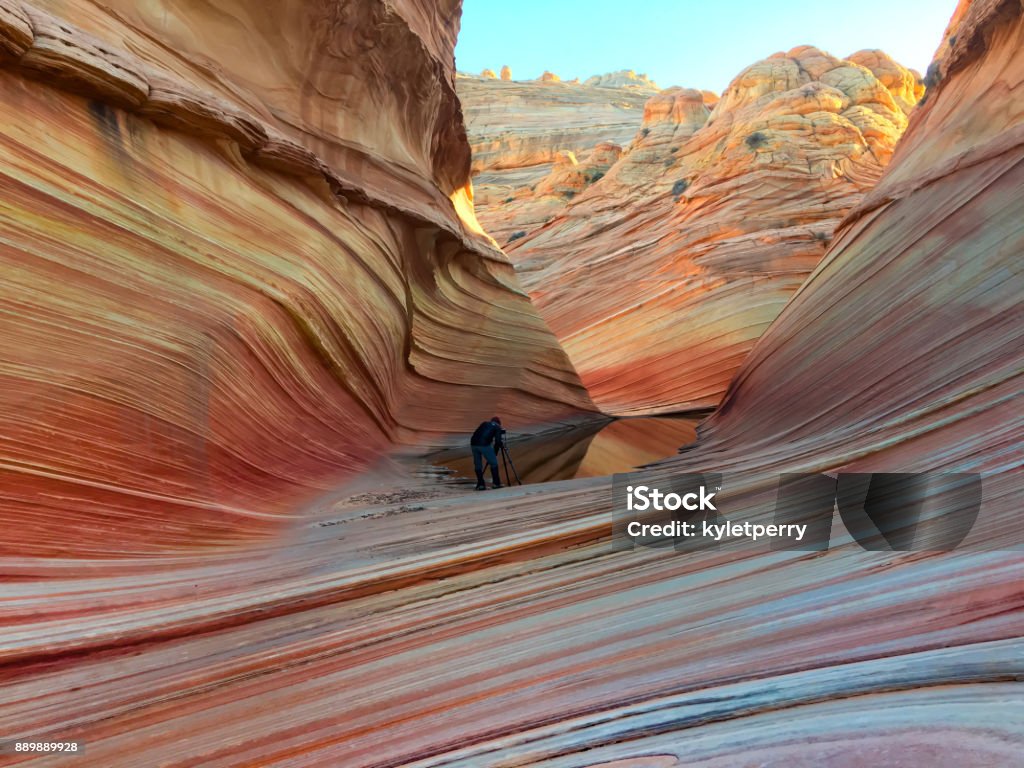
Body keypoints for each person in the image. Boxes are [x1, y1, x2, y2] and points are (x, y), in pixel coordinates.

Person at [470, 416, 504, 490]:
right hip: (484, 445)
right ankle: (496, 484)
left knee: (478, 465)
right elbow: (498, 442)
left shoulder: (484, 423)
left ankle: (481, 485)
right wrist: (495, 453)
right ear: (499, 423)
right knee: (494, 463)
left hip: (473, 444)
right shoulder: (498, 427)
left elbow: (477, 432)